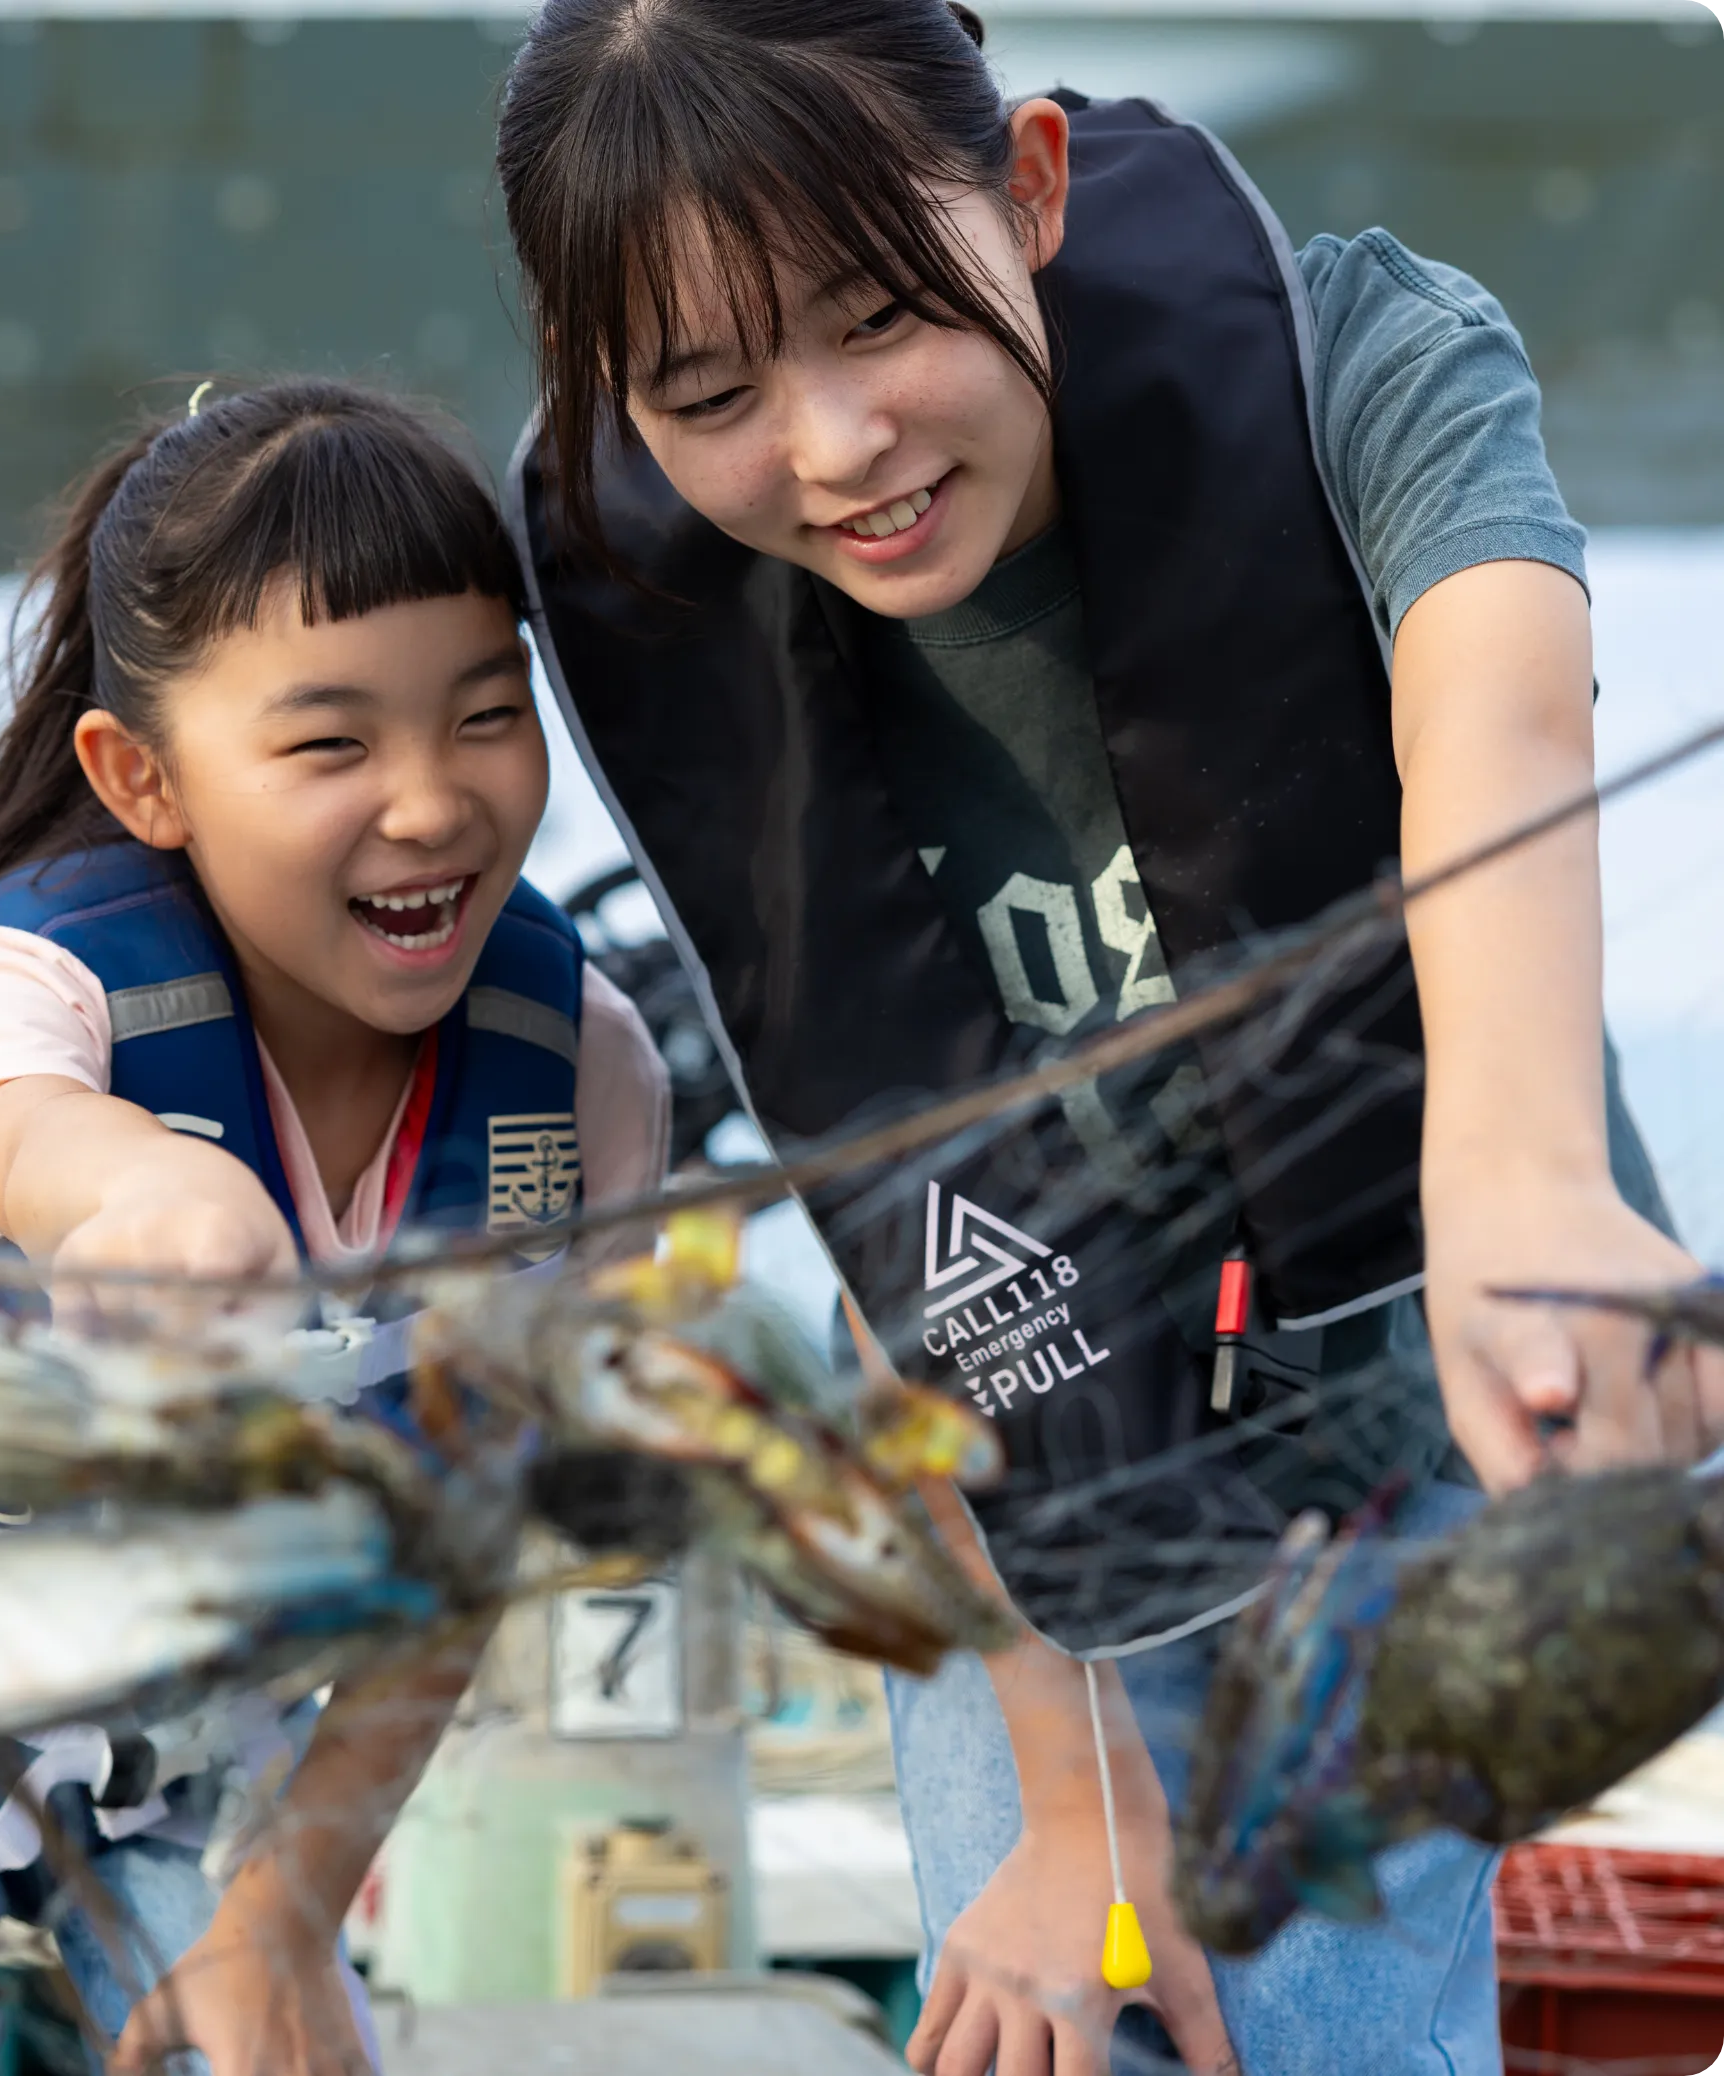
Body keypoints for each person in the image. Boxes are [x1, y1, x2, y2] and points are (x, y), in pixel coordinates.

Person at [493, 6, 1719, 2072]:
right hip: (1043, 1474)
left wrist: (1521, 1177)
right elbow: (903, 1245)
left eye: (882, 316)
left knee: (1325, 2012)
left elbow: (1496, 719)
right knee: (1040, 2014)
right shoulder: (705, 629)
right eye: (710, 388)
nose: (834, 447)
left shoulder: (1370, 363)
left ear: (1032, 190)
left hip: (1442, 1415)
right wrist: (1076, 1813)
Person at [0, 378, 670, 2076]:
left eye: (486, 714)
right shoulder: (24, 984)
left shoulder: (584, 1079)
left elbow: (464, 1555)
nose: (428, 802)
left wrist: (282, 1913)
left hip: (197, 1751)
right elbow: (0, 1121)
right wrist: (138, 1188)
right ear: (143, 780)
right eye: (331, 742)